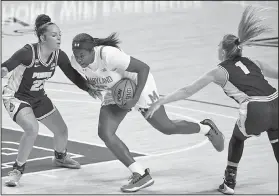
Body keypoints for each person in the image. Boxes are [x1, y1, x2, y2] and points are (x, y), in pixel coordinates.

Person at [145, 6, 278, 195]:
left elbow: (187, 90)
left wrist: (161, 101)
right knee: (276, 139)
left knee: (237, 139)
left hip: (257, 108)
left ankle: (229, 182)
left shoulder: (219, 71)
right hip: (276, 101)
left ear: (224, 52)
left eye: (218, 47)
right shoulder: (254, 63)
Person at [70, 31, 225, 192]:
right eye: (76, 55)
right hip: (117, 89)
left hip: (138, 83)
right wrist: (88, 87)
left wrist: (134, 99)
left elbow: (143, 68)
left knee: (166, 127)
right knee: (105, 132)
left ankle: (206, 128)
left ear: (92, 51)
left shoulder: (109, 55)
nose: (79, 59)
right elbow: (77, 75)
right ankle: (140, 173)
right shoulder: (76, 62)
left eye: (82, 55)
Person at [1, 14, 95, 187]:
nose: (59, 38)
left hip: (38, 97)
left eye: (60, 34)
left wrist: (89, 88)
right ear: (43, 37)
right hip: (15, 96)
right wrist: (4, 70)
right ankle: (17, 169)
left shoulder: (59, 55)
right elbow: (6, 66)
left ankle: (60, 157)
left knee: (62, 131)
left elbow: (73, 75)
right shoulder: (28, 52)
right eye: (54, 35)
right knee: (31, 128)